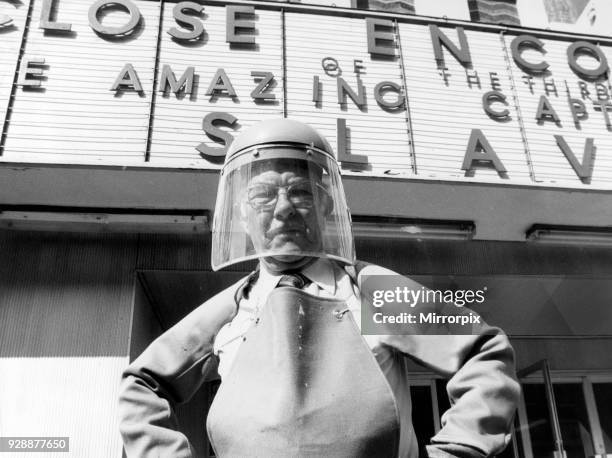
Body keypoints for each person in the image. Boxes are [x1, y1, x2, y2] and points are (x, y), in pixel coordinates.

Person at [118, 119, 520, 457]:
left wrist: (458, 449)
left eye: (300, 192)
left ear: (326, 206)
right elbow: (142, 384)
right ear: (241, 214)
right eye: (262, 195)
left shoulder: (370, 289)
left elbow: (484, 352)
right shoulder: (231, 309)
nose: (283, 209)